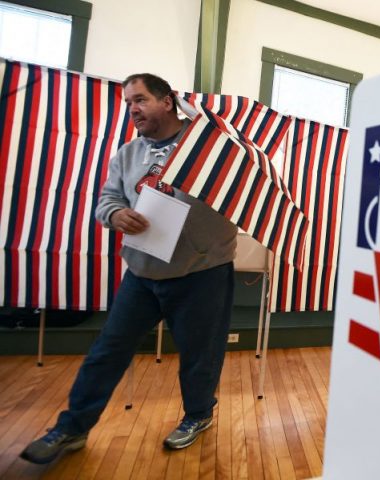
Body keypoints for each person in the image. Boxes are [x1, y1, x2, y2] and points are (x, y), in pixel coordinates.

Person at [20, 73, 238, 464]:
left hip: (202, 272)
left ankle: (198, 415)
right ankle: (72, 427)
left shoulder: (210, 147)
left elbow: (237, 199)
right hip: (142, 273)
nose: (132, 109)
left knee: (199, 356)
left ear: (167, 101)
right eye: (128, 103)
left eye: (139, 100)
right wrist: (116, 213)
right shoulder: (126, 154)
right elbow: (107, 198)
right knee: (108, 350)